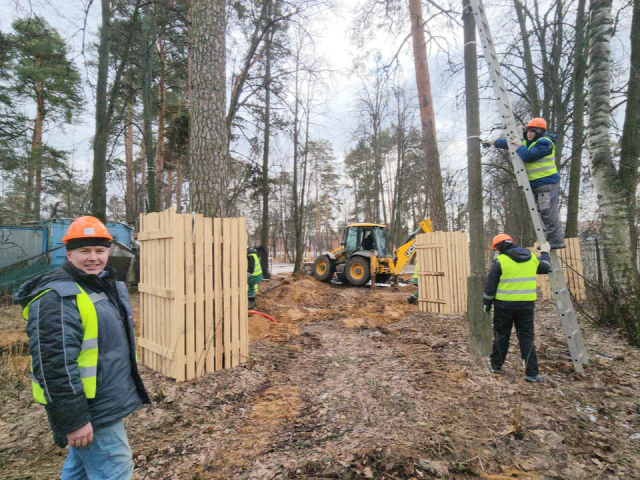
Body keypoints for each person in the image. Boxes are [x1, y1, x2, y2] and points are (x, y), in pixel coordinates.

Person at [14, 216, 150, 479]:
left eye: (99, 250)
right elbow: (54, 364)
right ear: (69, 254)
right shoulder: (57, 297)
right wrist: (74, 420)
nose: (93, 257)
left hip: (103, 399)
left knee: (80, 470)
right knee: (116, 469)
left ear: (108, 252)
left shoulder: (99, 286)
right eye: (84, 251)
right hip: (89, 407)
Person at [484, 118, 565, 249]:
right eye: (528, 131)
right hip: (538, 184)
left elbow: (528, 156)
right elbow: (509, 143)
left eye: (533, 131)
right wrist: (493, 142)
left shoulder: (544, 143)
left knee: (548, 211)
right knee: (543, 211)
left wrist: (519, 145)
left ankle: (556, 241)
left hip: (547, 183)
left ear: (540, 132)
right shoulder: (530, 143)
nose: (529, 134)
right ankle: (551, 239)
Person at [483, 233, 551, 382]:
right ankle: (531, 373)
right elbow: (546, 267)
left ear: (500, 247)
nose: (497, 251)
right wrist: (545, 252)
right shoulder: (531, 257)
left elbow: (490, 286)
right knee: (526, 338)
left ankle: (496, 366)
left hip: (503, 306)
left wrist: (487, 304)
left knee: (501, 336)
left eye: (496, 249)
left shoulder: (500, 261)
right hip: (526, 306)